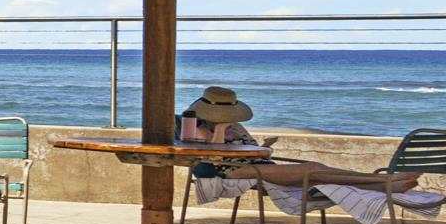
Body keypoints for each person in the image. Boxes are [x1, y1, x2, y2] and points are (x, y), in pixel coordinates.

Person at [177, 87, 430, 194]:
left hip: (257, 167)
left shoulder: (238, 127)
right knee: (312, 171)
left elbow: (251, 150)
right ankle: (386, 180)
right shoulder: (197, 129)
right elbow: (216, 154)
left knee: (317, 173)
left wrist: (264, 149)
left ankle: (386, 184)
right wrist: (221, 127)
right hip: (232, 173)